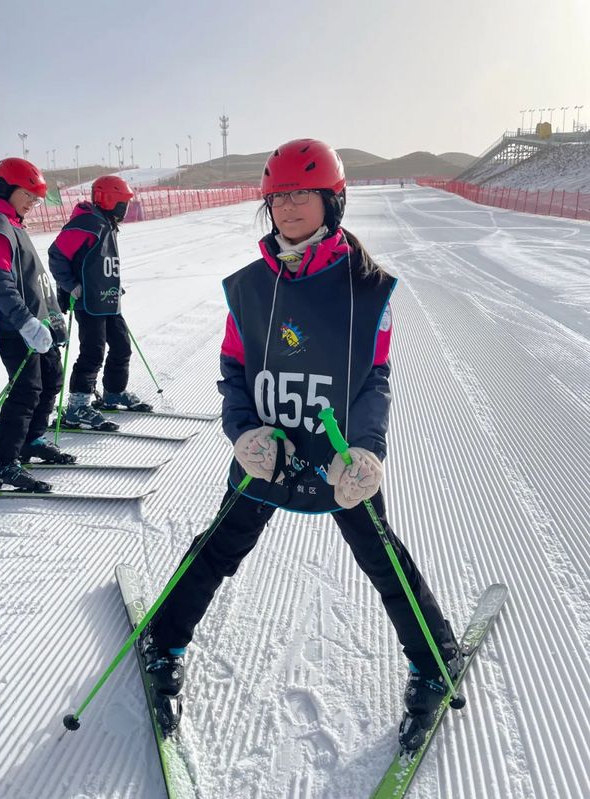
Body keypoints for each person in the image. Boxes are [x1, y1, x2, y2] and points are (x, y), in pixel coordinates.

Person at [139, 139, 462, 749]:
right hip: (271, 449)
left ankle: (433, 661)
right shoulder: (248, 287)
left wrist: (366, 449)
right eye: (278, 196)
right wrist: (243, 432)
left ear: (332, 201)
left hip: (338, 455)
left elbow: (376, 378)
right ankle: (165, 640)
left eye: (301, 194)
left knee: (380, 555)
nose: (288, 207)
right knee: (220, 544)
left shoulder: (370, 289)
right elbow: (233, 370)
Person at [0, 157, 72, 492]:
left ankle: (31, 441)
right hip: (15, 328)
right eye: (29, 195)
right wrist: (26, 324)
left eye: (36, 198)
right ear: (6, 188)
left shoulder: (14, 224)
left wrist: (54, 320)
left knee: (51, 379)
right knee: (26, 390)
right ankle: (2, 458)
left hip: (38, 326)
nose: (33, 204)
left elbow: (37, 281)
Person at [48, 175, 150, 431]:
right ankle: (77, 407)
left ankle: (114, 392)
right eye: (123, 202)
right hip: (88, 301)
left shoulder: (106, 223)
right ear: (110, 200)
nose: (125, 208)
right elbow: (57, 254)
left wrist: (111, 282)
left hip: (107, 298)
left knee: (121, 346)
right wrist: (70, 285)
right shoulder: (87, 222)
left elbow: (99, 262)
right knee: (92, 352)